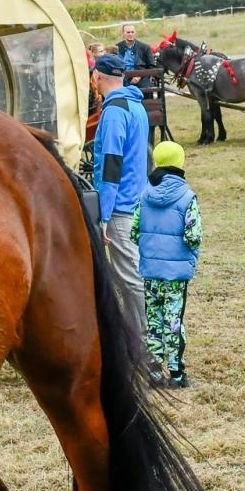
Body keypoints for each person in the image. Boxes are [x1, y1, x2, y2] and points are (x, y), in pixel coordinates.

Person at [132, 140, 203, 389]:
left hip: (151, 272)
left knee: (153, 322)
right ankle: (176, 374)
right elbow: (194, 235)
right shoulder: (187, 197)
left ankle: (153, 374)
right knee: (173, 321)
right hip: (176, 274)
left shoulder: (144, 195)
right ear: (180, 163)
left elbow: (134, 232)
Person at [92, 52, 150, 340]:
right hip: (137, 200)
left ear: (98, 77)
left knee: (131, 278)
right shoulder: (135, 105)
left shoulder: (114, 113)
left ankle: (147, 343)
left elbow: (111, 166)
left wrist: (103, 214)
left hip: (120, 208)